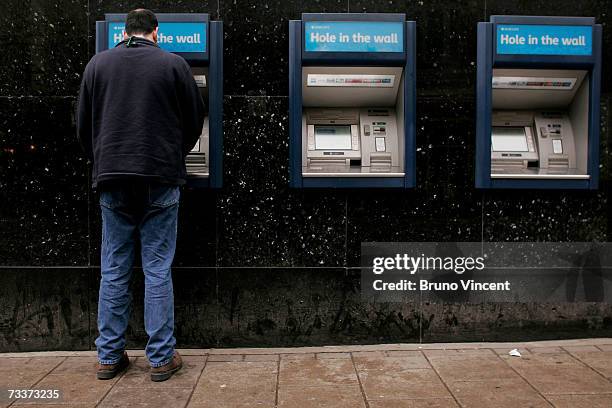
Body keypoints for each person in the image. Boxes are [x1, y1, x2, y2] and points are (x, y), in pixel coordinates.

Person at [76, 8, 205, 382]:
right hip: (160, 178)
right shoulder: (174, 64)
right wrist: (171, 154)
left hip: (112, 179)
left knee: (114, 269)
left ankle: (109, 357)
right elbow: (195, 118)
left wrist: (105, 160)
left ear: (123, 32)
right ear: (156, 32)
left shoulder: (97, 65)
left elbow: (84, 126)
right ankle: (161, 359)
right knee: (157, 269)